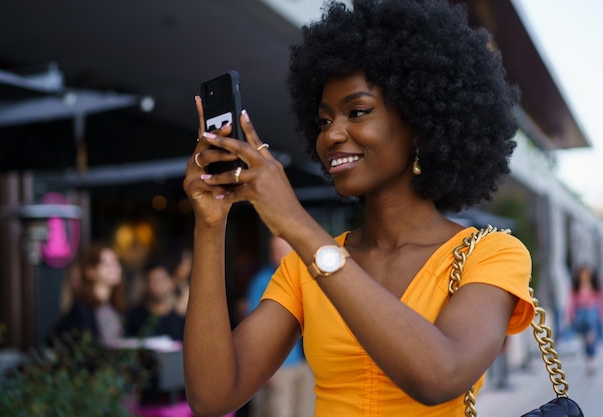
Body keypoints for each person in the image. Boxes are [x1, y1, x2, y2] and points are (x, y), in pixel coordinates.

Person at [181, 1, 536, 415]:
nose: (332, 134)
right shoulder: (301, 269)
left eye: (358, 111)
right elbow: (212, 396)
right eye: (324, 120)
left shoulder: (490, 255)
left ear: (421, 120)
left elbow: (440, 375)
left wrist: (296, 222)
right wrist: (210, 227)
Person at [246, 235, 315, 417]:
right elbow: (256, 330)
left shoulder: (305, 275)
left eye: (285, 249)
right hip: (279, 365)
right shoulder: (262, 280)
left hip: (304, 363)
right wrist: (265, 369)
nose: (282, 255)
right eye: (277, 250)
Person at [50, 242, 126, 346]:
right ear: (90, 272)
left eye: (116, 262)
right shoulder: (81, 310)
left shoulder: (116, 307)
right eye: (107, 264)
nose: (114, 268)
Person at [125, 260, 185, 341]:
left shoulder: (180, 322)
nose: (157, 285)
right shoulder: (133, 318)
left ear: (171, 282)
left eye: (161, 280)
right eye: (152, 280)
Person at [567, 265, 603, 375]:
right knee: (586, 339)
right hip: (581, 315)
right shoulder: (576, 288)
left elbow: (600, 302)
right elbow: (571, 302)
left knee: (591, 335)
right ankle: (590, 358)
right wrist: (570, 315)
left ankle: (591, 359)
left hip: (592, 313)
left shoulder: (595, 287)